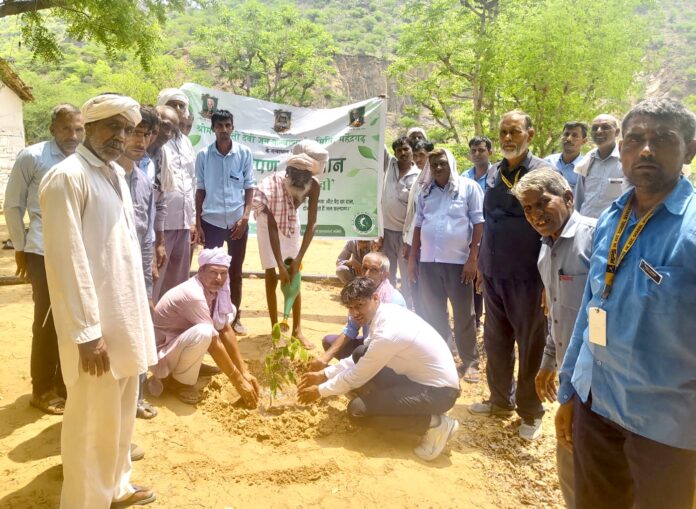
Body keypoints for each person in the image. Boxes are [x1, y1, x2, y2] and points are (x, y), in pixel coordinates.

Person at [556, 98, 696, 509]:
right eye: (634, 139)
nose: (646, 149)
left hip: (665, 428)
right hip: (594, 405)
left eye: (662, 139)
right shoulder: (611, 219)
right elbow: (588, 309)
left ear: (689, 148)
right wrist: (569, 393)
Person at [39, 94, 157, 508]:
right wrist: (87, 334)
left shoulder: (114, 174)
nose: (120, 137)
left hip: (122, 319)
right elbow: (66, 260)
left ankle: (117, 488)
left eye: (127, 129)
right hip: (95, 331)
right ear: (89, 126)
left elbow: (120, 253)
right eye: (112, 127)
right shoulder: (66, 178)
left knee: (121, 414)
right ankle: (85, 501)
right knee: (90, 420)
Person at [298, 277, 461, 462]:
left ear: (375, 298)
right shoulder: (385, 313)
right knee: (361, 352)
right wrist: (323, 374)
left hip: (439, 393)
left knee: (357, 411)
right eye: (350, 308)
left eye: (360, 305)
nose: (354, 313)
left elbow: (356, 376)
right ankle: (402, 408)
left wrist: (320, 391)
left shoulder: (388, 333)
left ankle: (435, 424)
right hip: (421, 380)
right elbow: (360, 358)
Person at [512, 167, 596, 508]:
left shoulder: (594, 238)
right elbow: (556, 316)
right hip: (569, 379)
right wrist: (548, 363)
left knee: (594, 471)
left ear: (568, 198)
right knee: (571, 470)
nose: (535, 214)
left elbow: (601, 319)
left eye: (542, 203)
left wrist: (577, 391)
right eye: (528, 209)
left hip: (597, 384)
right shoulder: (545, 250)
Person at [470, 110, 549, 441]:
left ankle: (531, 411)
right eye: (503, 132)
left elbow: (554, 229)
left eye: (514, 131)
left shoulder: (544, 173)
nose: (507, 138)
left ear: (529, 134)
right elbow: (489, 221)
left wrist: (548, 281)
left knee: (531, 345)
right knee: (496, 341)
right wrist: (481, 266)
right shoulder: (494, 173)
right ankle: (500, 400)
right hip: (494, 274)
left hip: (529, 278)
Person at [4, 103, 84, 415]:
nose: (72, 135)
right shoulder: (33, 157)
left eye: (78, 129)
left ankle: (65, 384)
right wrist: (21, 248)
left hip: (76, 253)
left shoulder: (83, 159)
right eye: (66, 128)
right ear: (53, 129)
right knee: (48, 321)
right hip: (41, 251)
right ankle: (42, 388)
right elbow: (13, 205)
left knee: (73, 320)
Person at [409, 148, 484, 384]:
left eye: (442, 163)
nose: (438, 168)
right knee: (434, 313)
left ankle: (470, 362)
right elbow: (418, 226)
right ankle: (443, 358)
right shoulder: (425, 192)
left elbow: (479, 223)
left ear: (450, 163)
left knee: (464, 314)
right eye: (434, 165)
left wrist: (473, 259)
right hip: (429, 262)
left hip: (459, 263)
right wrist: (413, 259)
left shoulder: (468, 187)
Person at [150, 247, 260, 407]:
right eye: (213, 272)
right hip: (161, 355)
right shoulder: (194, 295)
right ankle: (179, 382)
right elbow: (214, 342)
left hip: (177, 343)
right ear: (201, 270)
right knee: (204, 332)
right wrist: (238, 382)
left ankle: (189, 367)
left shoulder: (213, 291)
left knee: (229, 312)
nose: (219, 278)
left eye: (223, 273)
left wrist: (244, 372)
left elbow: (224, 328)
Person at [116, 105, 163, 421]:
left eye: (145, 134)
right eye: (134, 132)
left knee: (139, 338)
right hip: (111, 277)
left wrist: (147, 283)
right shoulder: (105, 178)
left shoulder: (144, 182)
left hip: (137, 276)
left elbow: (146, 239)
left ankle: (136, 399)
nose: (140, 141)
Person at [195, 109, 255, 336]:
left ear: (233, 127)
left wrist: (245, 217)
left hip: (238, 223)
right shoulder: (203, 155)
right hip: (211, 222)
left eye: (227, 125)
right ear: (212, 129)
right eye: (219, 126)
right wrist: (198, 223)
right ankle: (208, 316)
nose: (223, 130)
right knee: (210, 271)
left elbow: (249, 186)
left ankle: (235, 317)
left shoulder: (244, 153)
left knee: (235, 271)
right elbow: (200, 189)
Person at [253, 152, 322, 349]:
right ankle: (275, 328)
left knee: (294, 273)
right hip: (268, 224)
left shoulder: (314, 186)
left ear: (310, 178)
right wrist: (279, 266)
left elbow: (312, 223)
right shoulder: (274, 187)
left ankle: (296, 330)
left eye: (304, 178)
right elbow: (273, 227)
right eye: (296, 176)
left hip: (291, 221)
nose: (300, 181)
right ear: (288, 172)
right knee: (271, 273)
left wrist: (298, 257)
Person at [314, 251, 406, 368]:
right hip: (369, 342)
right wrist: (325, 358)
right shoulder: (360, 293)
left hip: (388, 350)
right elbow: (351, 329)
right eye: (364, 268)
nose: (367, 274)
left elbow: (390, 342)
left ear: (385, 275)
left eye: (373, 270)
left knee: (361, 354)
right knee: (329, 342)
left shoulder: (394, 300)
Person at [153, 88, 198, 302]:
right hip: (161, 224)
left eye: (182, 105)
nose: (178, 109)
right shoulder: (155, 140)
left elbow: (191, 181)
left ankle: (168, 332)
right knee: (155, 280)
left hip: (183, 224)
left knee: (177, 284)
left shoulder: (187, 143)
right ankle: (151, 332)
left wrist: (192, 220)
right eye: (173, 104)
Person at [377, 136, 420, 304]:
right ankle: (387, 306)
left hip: (404, 236)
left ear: (412, 151)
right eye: (399, 150)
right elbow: (379, 143)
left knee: (407, 276)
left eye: (406, 149)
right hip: (386, 233)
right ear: (395, 153)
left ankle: (408, 308)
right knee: (387, 275)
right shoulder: (389, 165)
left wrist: (410, 240)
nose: (403, 153)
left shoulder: (418, 175)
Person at [464, 135, 494, 329]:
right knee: (472, 274)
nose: (477, 154)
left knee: (489, 275)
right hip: (470, 233)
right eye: (473, 150)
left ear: (490, 152)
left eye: (481, 150)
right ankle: (475, 319)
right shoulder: (464, 176)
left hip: (492, 233)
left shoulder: (497, 175)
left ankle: (492, 319)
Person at [573, 114, 624, 218]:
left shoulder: (625, 161)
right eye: (595, 128)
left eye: (605, 127)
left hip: (612, 228)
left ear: (617, 132)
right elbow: (579, 198)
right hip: (585, 226)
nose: (599, 131)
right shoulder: (587, 161)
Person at [544, 121, 588, 188]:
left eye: (575, 135)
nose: (569, 139)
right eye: (566, 134)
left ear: (584, 141)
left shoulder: (586, 168)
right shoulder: (548, 161)